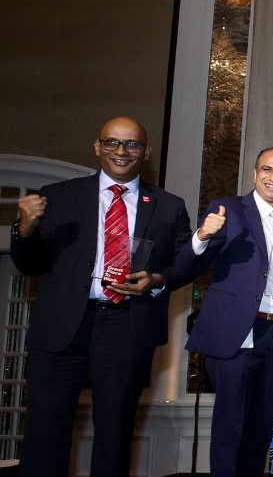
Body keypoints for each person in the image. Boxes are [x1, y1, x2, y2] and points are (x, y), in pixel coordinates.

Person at [12, 117, 192, 477]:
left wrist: (156, 279)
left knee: (114, 433)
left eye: (131, 144)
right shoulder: (59, 196)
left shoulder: (168, 205)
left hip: (125, 326)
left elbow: (184, 264)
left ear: (146, 151)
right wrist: (25, 228)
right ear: (97, 147)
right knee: (45, 431)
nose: (121, 152)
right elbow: (31, 265)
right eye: (112, 143)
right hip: (61, 327)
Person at [176, 147, 273, 477]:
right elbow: (185, 267)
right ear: (254, 174)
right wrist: (202, 236)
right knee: (230, 424)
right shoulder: (228, 210)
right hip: (236, 331)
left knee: (262, 426)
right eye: (267, 169)